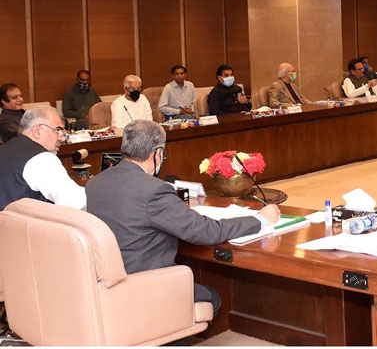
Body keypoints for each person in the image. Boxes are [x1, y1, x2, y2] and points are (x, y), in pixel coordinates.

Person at [86, 119, 280, 325]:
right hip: (145, 283)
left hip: (107, 284)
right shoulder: (153, 190)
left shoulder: (95, 183)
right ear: (157, 153)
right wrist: (259, 219)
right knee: (212, 298)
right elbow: (205, 232)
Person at [0, 106, 86, 210]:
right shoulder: (41, 159)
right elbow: (76, 203)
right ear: (37, 131)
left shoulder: (4, 149)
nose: (62, 138)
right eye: (57, 130)